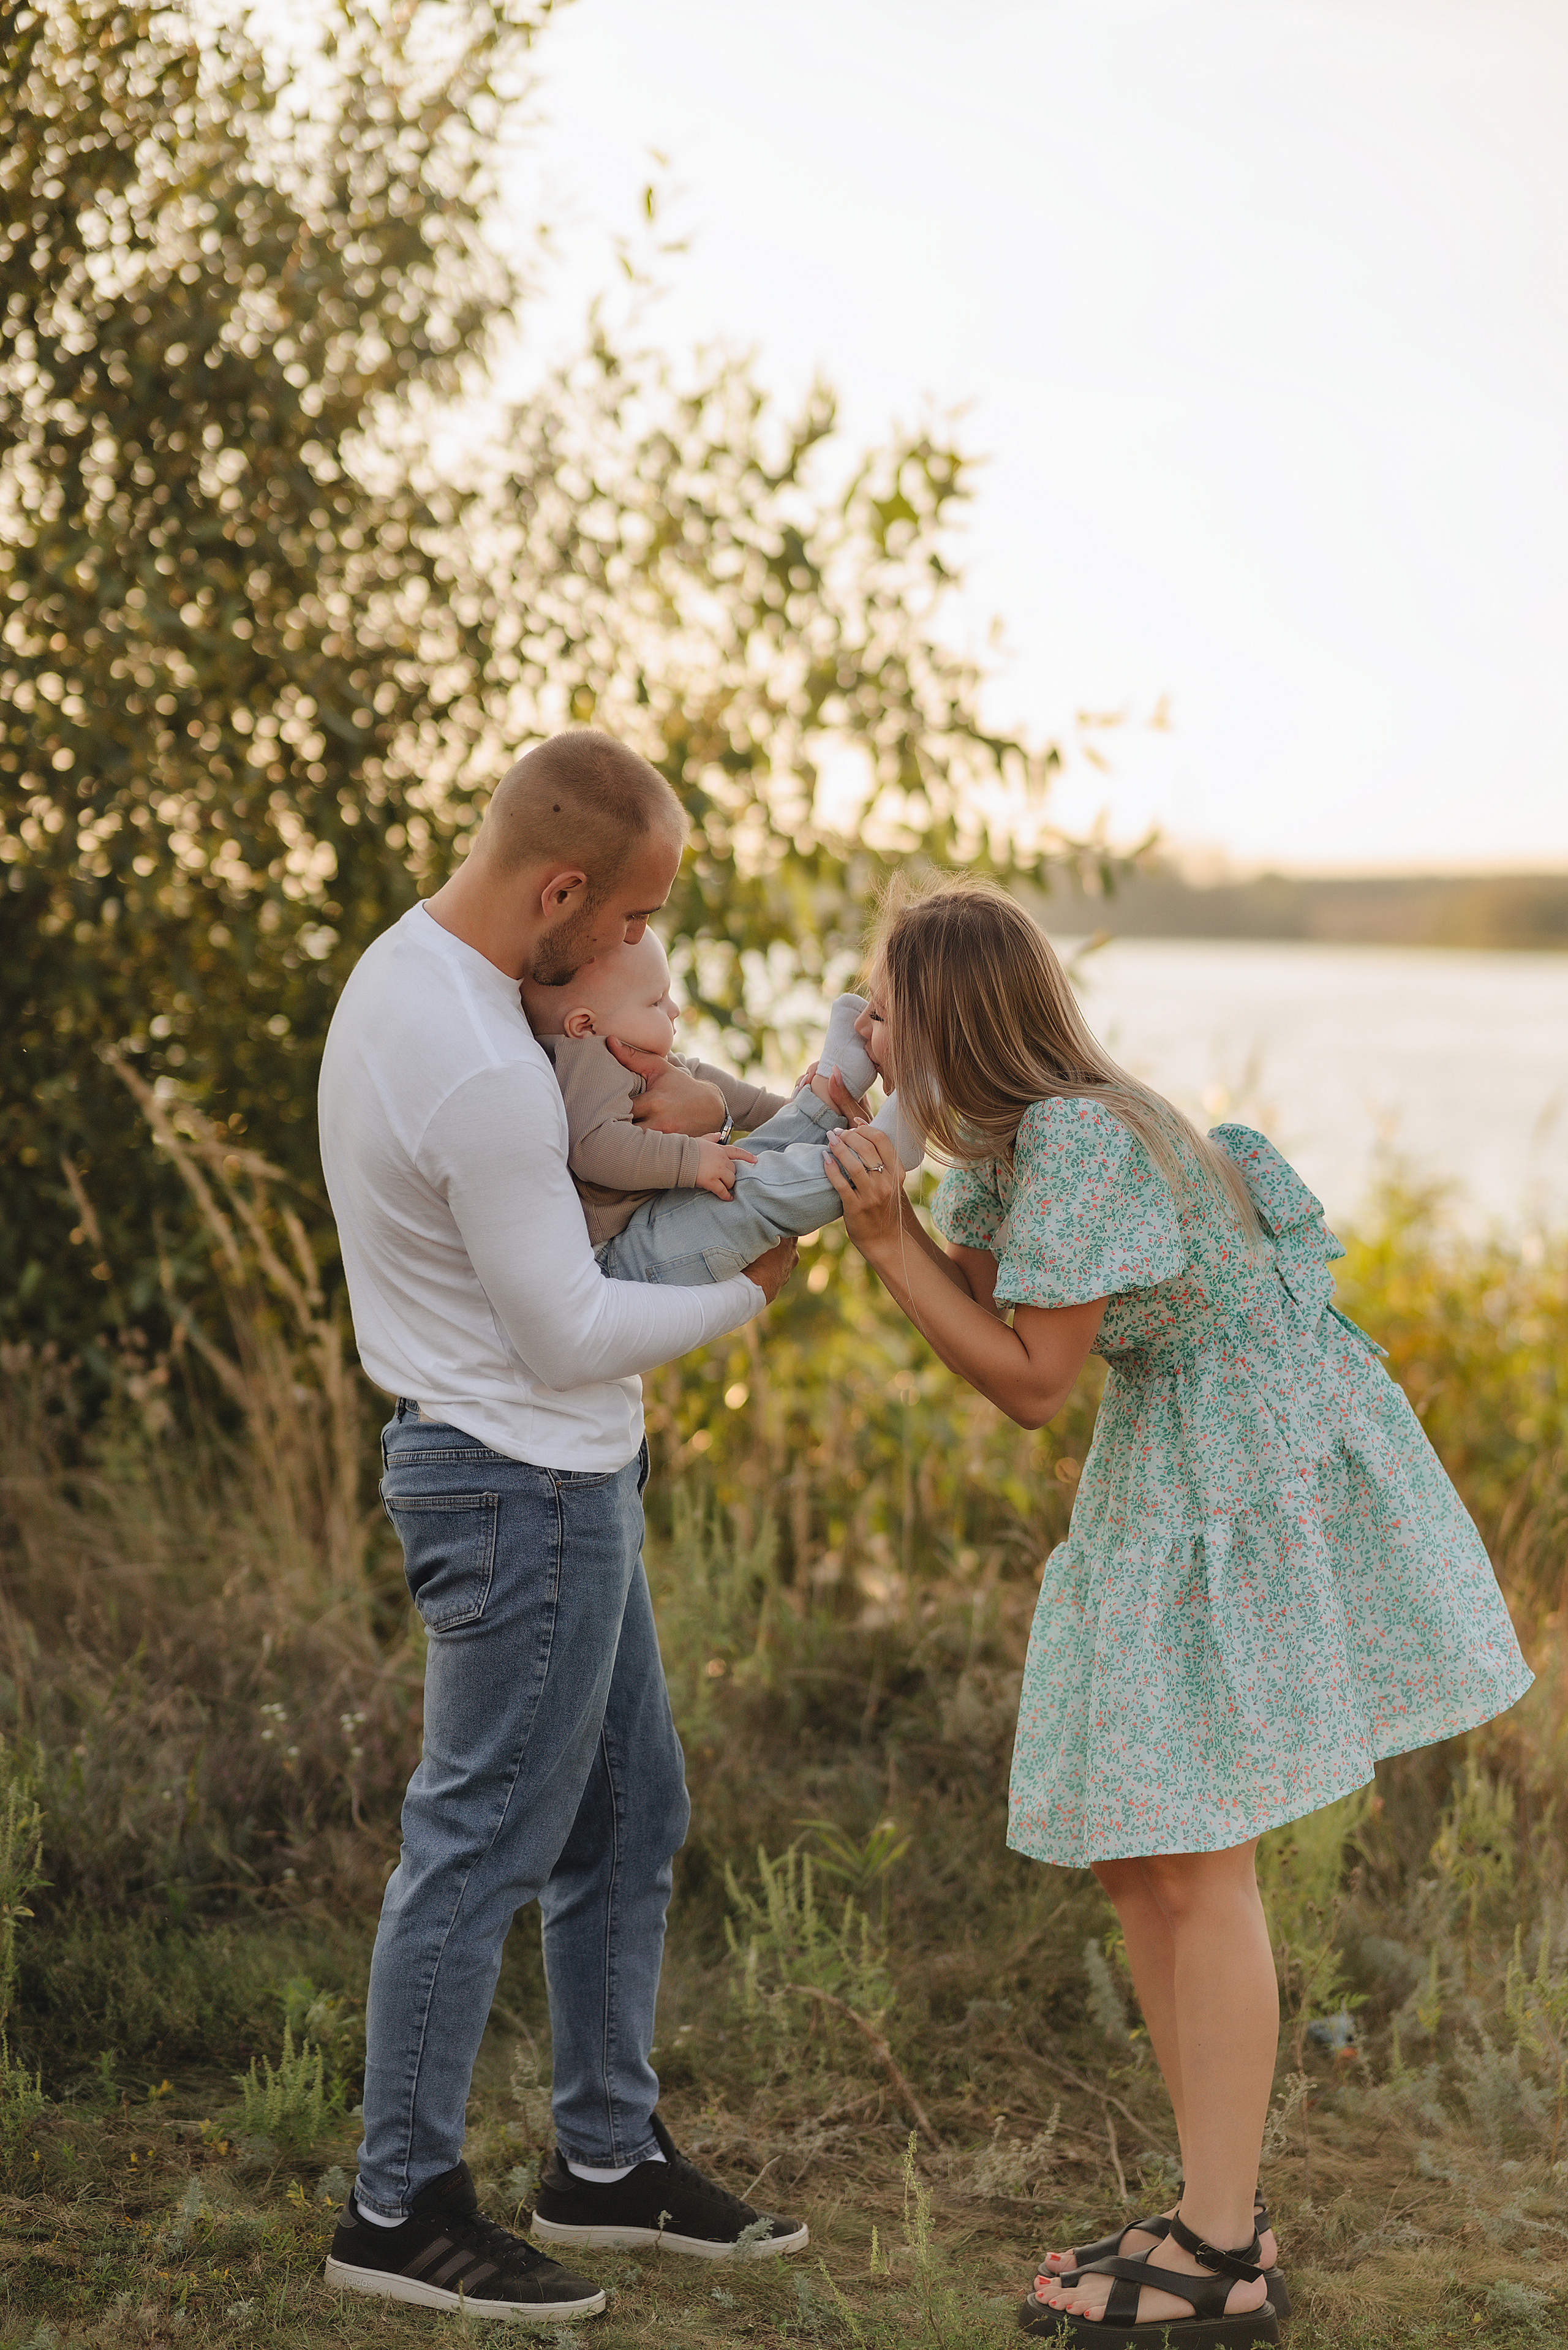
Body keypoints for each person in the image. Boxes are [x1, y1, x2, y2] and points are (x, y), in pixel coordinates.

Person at [820, 873, 1532, 2350]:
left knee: (1196, 1856)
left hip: (1246, 1475)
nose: (863, 1026)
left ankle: (1221, 2248)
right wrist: (880, 1173)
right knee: (1136, 1853)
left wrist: (888, 1250)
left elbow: (1023, 1386)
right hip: (1171, 1464)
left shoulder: (1081, 1135)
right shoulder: (1012, 1154)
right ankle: (1213, 2207)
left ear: (947, 1011)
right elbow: (995, 1315)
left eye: (879, 1003)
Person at [316, 730, 812, 2324]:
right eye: (625, 918)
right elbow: (569, 1329)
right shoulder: (470, 1059)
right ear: (561, 887)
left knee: (626, 1816)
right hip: (517, 1476)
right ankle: (399, 2204)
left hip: (557, 1474)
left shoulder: (431, 975)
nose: (629, 951)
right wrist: (757, 1287)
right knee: (480, 1844)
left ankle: (602, 2158)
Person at [519, 927, 923, 1286]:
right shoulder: (588, 1059)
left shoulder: (621, 1044)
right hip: (618, 1257)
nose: (674, 1009)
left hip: (652, 1221)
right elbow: (595, 1148)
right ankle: (872, 1158)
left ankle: (822, 1102)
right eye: (656, 1002)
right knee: (749, 1189)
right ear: (584, 1025)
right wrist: (690, 1160)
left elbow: (712, 1083)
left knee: (747, 1162)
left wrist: (785, 1107)